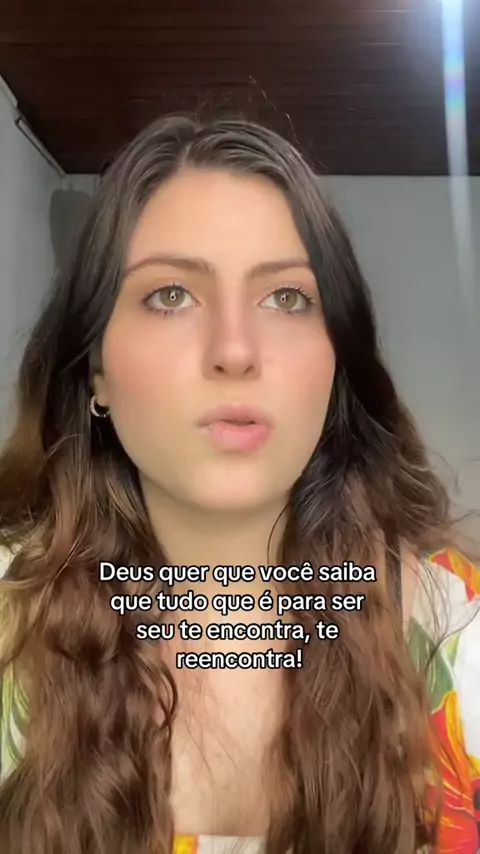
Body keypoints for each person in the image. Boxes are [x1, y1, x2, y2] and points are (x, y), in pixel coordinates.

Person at [0, 113, 478, 854]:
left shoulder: (457, 631)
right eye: (170, 295)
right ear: (95, 370)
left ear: (337, 361)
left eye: (286, 297)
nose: (234, 350)